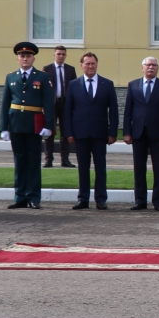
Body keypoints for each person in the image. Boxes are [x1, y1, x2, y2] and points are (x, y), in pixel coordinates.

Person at [0, 40, 56, 209]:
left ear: (33, 58)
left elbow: (49, 104)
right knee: (20, 161)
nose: (25, 58)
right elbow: (5, 104)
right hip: (16, 124)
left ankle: (33, 197)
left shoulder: (42, 77)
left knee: (33, 162)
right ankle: (20, 196)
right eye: (22, 56)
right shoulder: (11, 77)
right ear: (18, 58)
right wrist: (4, 127)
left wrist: (49, 125)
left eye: (28, 56)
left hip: (34, 124)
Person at [64, 51, 117, 209]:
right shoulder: (74, 85)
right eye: (87, 63)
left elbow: (113, 110)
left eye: (93, 63)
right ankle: (83, 199)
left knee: (100, 167)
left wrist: (112, 132)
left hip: (100, 133)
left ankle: (101, 199)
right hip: (80, 133)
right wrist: (69, 132)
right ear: (81, 66)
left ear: (97, 65)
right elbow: (68, 111)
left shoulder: (107, 84)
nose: (90, 66)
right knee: (83, 167)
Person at [123, 56, 159, 210]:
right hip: (138, 133)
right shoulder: (133, 85)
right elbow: (128, 111)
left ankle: (158, 202)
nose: (151, 68)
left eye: (154, 65)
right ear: (142, 67)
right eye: (148, 65)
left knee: (158, 168)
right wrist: (127, 132)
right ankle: (140, 201)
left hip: (158, 134)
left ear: (158, 68)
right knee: (139, 168)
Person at [42, 45, 77, 169]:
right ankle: (48, 159)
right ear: (54, 55)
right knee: (49, 133)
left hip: (65, 104)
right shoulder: (47, 69)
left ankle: (65, 160)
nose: (61, 56)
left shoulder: (70, 70)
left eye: (63, 54)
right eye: (59, 54)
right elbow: (44, 89)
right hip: (51, 105)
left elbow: (74, 89)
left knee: (65, 133)